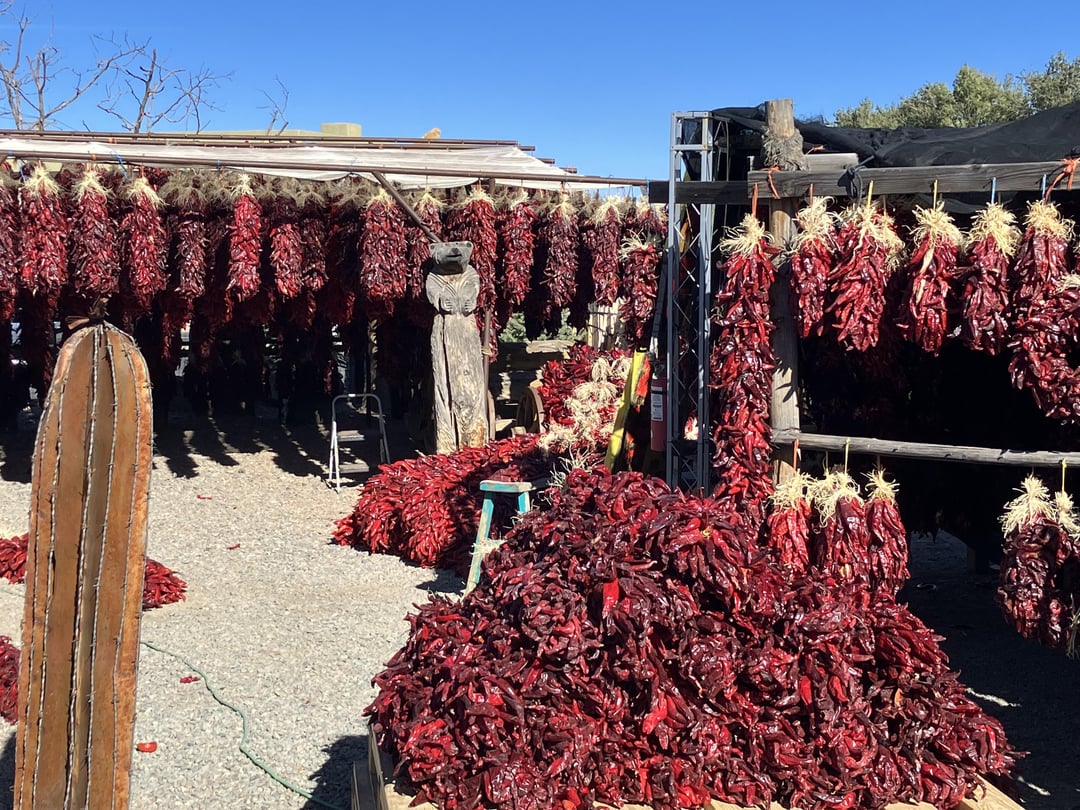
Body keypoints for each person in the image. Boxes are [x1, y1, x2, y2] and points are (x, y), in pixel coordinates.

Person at [426, 241, 487, 453]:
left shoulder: (470, 273)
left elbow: (473, 287)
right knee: (444, 384)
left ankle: (475, 440)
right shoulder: (434, 276)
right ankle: (448, 443)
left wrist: (471, 299)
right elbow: (432, 291)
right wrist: (440, 299)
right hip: (444, 332)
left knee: (471, 385)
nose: (454, 251)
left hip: (467, 332)